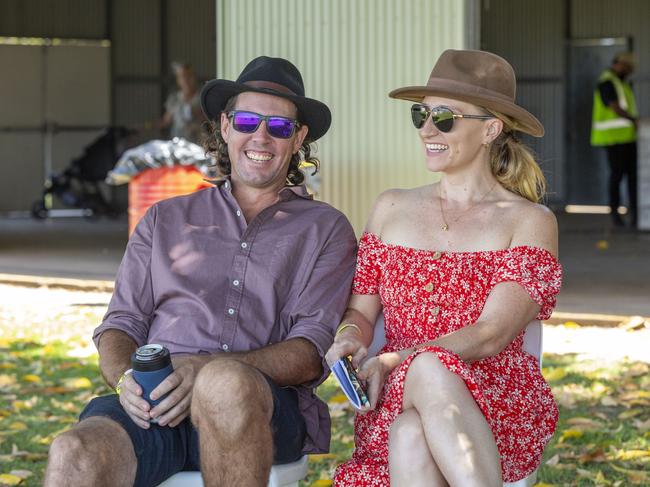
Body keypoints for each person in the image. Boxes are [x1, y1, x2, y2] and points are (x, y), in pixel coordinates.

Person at [44, 56, 357, 487]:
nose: (260, 136)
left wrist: (204, 370)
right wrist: (126, 379)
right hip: (157, 402)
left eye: (279, 127)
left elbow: (308, 352)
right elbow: (121, 323)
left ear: (298, 137)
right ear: (226, 127)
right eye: (247, 121)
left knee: (224, 383)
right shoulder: (164, 219)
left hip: (260, 404)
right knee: (74, 451)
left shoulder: (326, 228)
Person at [325, 49, 563, 486]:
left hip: (493, 398)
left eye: (446, 117)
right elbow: (361, 312)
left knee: (422, 394)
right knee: (409, 429)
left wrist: (398, 359)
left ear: (491, 129)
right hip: (396, 392)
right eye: (422, 115)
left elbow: (492, 333)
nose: (427, 130)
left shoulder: (530, 221)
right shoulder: (390, 207)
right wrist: (347, 340)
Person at [590, 52, 639, 227]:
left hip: (627, 138)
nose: (628, 71)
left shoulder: (621, 83)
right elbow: (613, 106)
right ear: (618, 64)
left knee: (633, 177)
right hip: (613, 138)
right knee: (617, 175)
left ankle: (635, 213)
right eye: (627, 68)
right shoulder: (607, 81)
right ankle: (615, 215)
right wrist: (634, 120)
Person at [159, 62, 205, 143]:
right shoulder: (174, 99)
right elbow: (166, 121)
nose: (186, 79)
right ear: (178, 79)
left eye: (189, 76)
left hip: (197, 144)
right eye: (183, 76)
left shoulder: (203, 98)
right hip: (177, 143)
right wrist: (146, 127)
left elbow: (209, 121)